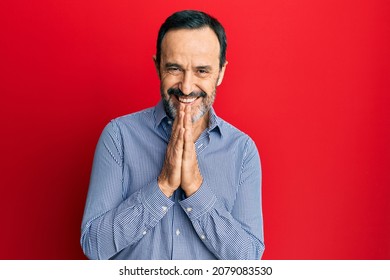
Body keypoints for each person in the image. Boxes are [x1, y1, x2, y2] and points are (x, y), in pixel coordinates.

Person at [80, 10, 264, 260]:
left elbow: (249, 258)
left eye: (202, 71)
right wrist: (163, 185)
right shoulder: (119, 136)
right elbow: (94, 245)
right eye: (175, 69)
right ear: (158, 66)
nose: (186, 88)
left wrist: (196, 189)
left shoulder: (242, 151)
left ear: (220, 72)